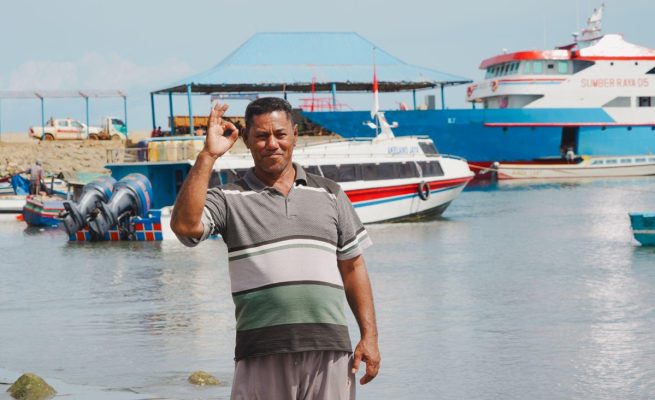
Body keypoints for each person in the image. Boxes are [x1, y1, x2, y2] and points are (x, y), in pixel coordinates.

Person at [171, 97, 380, 399]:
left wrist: (369, 336)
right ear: (246, 140)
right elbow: (185, 227)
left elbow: (353, 267)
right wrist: (208, 155)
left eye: (280, 134)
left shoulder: (331, 194)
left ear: (295, 134)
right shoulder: (229, 199)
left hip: (330, 349)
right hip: (261, 350)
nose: (272, 144)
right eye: (261, 136)